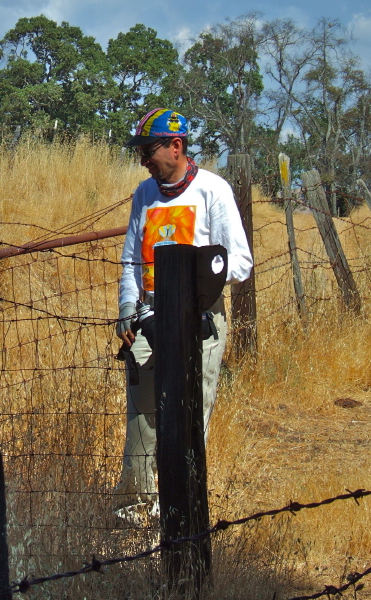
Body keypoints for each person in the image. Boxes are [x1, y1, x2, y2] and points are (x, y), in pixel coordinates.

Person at [113, 108, 253, 522]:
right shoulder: (144, 194)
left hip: (199, 319)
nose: (143, 159)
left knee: (189, 416)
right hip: (148, 319)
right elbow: (129, 261)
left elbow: (240, 263)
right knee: (142, 418)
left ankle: (179, 512)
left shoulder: (213, 190)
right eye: (139, 152)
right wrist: (126, 310)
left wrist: (191, 285)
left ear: (176, 146)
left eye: (148, 150)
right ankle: (135, 514)